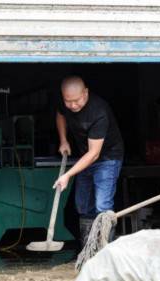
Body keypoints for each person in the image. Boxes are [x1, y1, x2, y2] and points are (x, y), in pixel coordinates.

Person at [53, 76, 124, 247]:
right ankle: (87, 250)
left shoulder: (99, 111)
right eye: (68, 101)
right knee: (83, 205)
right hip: (85, 156)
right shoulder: (66, 103)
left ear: (85, 92)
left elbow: (94, 154)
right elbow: (60, 114)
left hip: (107, 157)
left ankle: (105, 251)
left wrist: (68, 175)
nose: (73, 105)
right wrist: (63, 140)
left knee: (102, 205)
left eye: (76, 100)